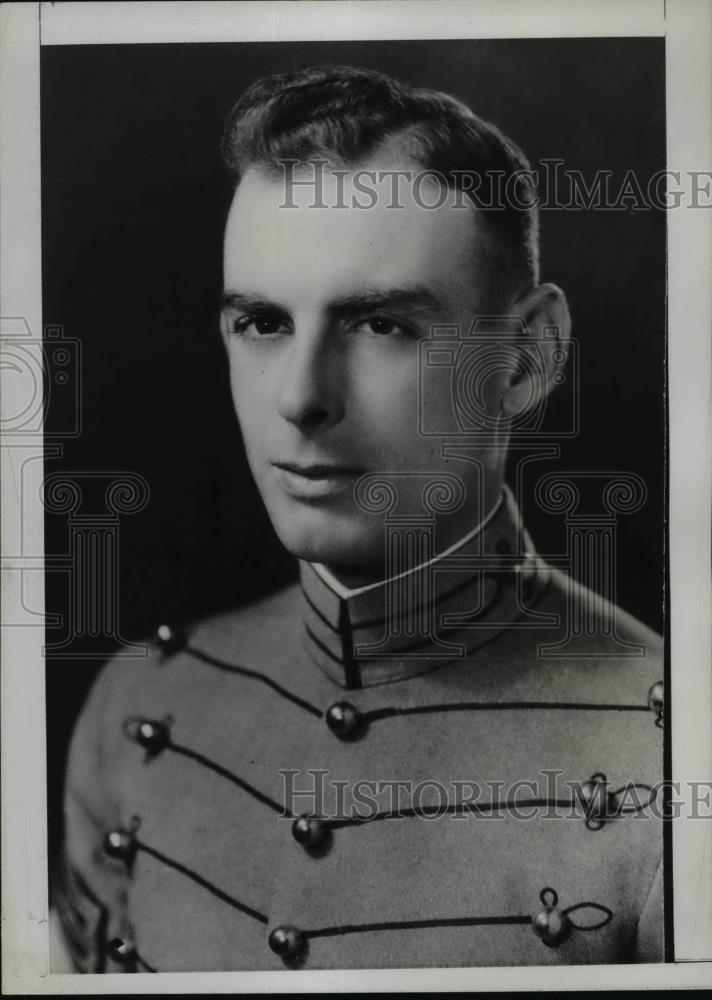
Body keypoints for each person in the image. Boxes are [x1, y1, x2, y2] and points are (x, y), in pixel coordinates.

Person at [51, 64, 664, 973]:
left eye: (381, 325)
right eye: (261, 321)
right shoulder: (138, 705)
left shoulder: (662, 758)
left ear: (527, 359)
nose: (300, 399)